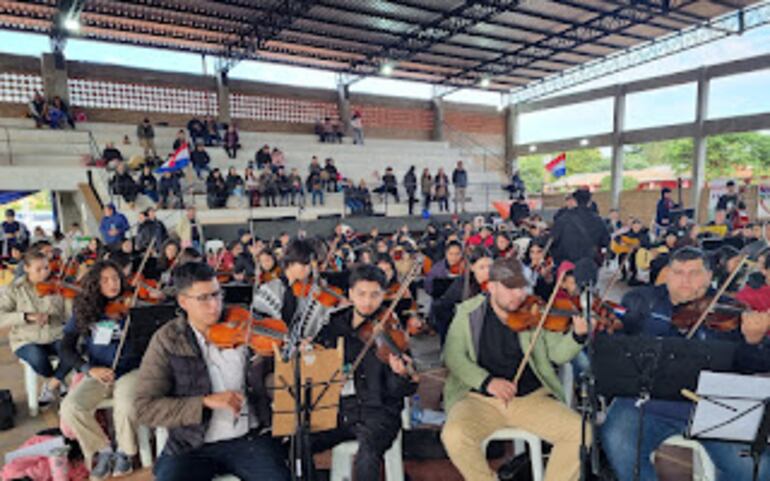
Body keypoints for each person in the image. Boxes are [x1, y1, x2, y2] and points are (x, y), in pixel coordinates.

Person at [603, 247, 770, 481]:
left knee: (758, 468)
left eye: (694, 273)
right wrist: (603, 331)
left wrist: (754, 342)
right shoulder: (642, 301)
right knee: (617, 440)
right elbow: (618, 345)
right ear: (667, 274)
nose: (685, 280)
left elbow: (753, 363)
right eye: (678, 272)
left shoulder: (728, 309)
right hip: (647, 402)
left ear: (710, 276)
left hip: (712, 407)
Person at [134, 262, 290, 481]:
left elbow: (275, 371)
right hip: (191, 445)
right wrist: (205, 402)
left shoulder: (242, 323)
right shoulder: (167, 340)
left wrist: (290, 353)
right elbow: (144, 408)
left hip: (247, 439)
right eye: (204, 298)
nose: (214, 305)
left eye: (217, 294)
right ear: (183, 301)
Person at [441, 257, 588, 481]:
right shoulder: (468, 313)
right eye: (511, 288)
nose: (519, 294)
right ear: (491, 287)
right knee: (454, 436)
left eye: (523, 287)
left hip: (531, 399)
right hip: (479, 400)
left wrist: (577, 336)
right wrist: (487, 381)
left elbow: (558, 353)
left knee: (581, 432)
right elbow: (453, 357)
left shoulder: (535, 311)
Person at [310, 264, 417, 479]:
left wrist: (401, 374)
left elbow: (403, 390)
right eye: (361, 294)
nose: (368, 302)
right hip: (339, 412)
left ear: (384, 295)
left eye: (375, 295)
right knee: (297, 442)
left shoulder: (391, 329)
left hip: (379, 413)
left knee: (367, 455)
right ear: (350, 294)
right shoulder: (333, 326)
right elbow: (314, 366)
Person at [59, 260, 142, 479]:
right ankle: (102, 450)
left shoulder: (132, 305)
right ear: (95, 284)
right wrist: (88, 369)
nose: (112, 283)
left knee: (126, 404)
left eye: (115, 278)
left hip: (131, 370)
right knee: (70, 407)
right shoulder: (86, 309)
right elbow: (66, 347)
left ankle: (126, 452)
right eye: (105, 280)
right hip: (99, 371)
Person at [0, 249, 72, 405]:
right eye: (38, 269)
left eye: (46, 268)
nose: (44, 273)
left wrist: (71, 298)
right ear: (26, 268)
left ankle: (52, 385)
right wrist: (26, 317)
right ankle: (58, 381)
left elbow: (69, 316)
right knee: (38, 358)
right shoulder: (14, 289)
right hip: (26, 338)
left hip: (55, 334)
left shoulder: (57, 286)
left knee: (73, 351)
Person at [430, 247, 493, 344]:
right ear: (472, 267)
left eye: (490, 266)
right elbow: (445, 309)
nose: (487, 271)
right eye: (482, 267)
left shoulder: (497, 283)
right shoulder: (461, 285)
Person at [551, 189, 609, 273]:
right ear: (589, 202)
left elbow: (553, 240)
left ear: (574, 201)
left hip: (566, 265)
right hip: (589, 263)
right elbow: (605, 241)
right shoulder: (598, 220)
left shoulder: (563, 219)